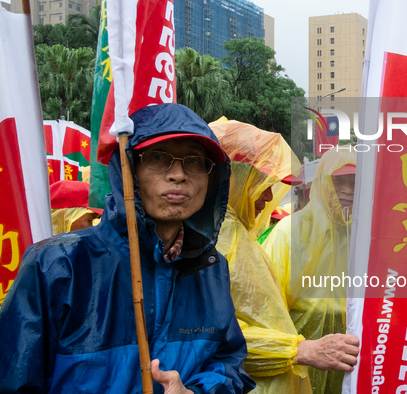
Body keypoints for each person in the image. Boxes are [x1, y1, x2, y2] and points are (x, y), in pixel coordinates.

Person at [0, 104, 255, 393]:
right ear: (128, 170)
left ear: (212, 179)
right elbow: (14, 379)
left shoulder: (211, 267)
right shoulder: (58, 264)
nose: (179, 175)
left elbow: (228, 362)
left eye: (195, 162)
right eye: (159, 158)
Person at [210, 120, 358, 394]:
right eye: (261, 183)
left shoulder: (239, 237)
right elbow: (217, 334)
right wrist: (299, 349)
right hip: (277, 371)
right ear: (237, 178)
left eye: (355, 182)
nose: (269, 196)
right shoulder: (223, 241)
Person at [262, 146, 359, 393]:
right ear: (323, 183)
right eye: (339, 182)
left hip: (348, 359)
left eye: (354, 182)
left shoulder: (361, 237)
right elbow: (269, 309)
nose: (347, 191)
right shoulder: (291, 231)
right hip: (298, 358)